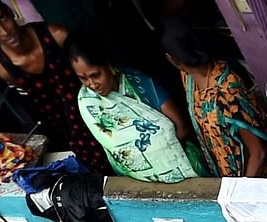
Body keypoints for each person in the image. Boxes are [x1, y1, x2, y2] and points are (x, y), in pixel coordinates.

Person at [0, 2, 108, 171]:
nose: (4, 30)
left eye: (3, 18)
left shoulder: (57, 36)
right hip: (64, 129)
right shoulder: (3, 68)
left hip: (97, 111)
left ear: (10, 12)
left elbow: (90, 72)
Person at [159, 20, 267, 178]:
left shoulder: (227, 92)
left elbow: (258, 153)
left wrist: (240, 193)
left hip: (258, 178)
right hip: (227, 175)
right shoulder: (189, 78)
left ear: (172, 60)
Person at [67, 41, 207, 182]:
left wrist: (164, 158)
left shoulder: (139, 83)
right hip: (137, 182)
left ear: (108, 65)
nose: (91, 84)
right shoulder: (87, 101)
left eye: (96, 75)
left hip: (184, 166)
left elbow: (181, 127)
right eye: (83, 78)